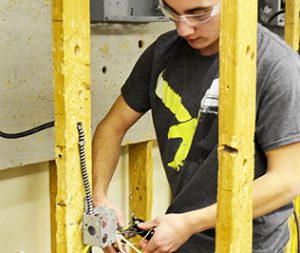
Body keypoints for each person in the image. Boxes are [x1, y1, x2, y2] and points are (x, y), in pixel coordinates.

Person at [92, 0, 300, 252]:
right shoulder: (163, 54)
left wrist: (190, 223)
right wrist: (100, 196)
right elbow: (111, 127)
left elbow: (287, 181)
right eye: (172, 13)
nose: (184, 29)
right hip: (183, 238)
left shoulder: (276, 65)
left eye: (199, 14)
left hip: (248, 245)